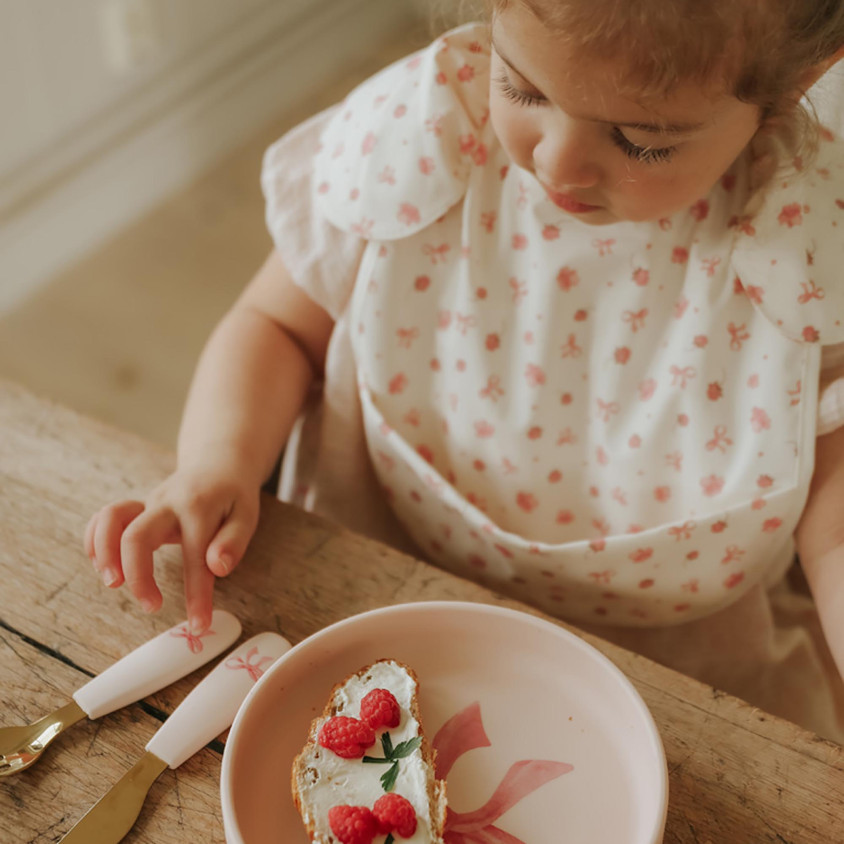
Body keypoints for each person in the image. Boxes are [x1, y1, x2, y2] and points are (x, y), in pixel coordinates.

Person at [85, 0, 844, 739]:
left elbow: (835, 507)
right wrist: (217, 463)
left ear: (785, 95)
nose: (556, 162)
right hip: (378, 600)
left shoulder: (803, 245)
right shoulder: (426, 140)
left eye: (642, 142)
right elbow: (276, 324)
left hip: (675, 677)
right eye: (522, 88)